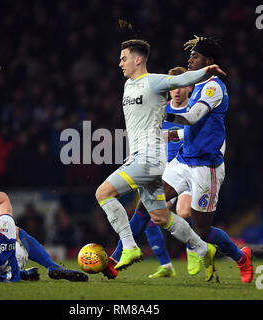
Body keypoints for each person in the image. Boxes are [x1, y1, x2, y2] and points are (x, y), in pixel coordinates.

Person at [105, 36, 254, 283]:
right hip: (183, 162)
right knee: (145, 206)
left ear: (209, 61)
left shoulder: (213, 87)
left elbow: (194, 117)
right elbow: (192, 130)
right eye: (190, 55)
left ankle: (241, 257)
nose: (190, 59)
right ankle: (115, 259)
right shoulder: (196, 88)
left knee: (202, 231)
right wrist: (167, 133)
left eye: (195, 56)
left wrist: (163, 114)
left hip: (206, 168)